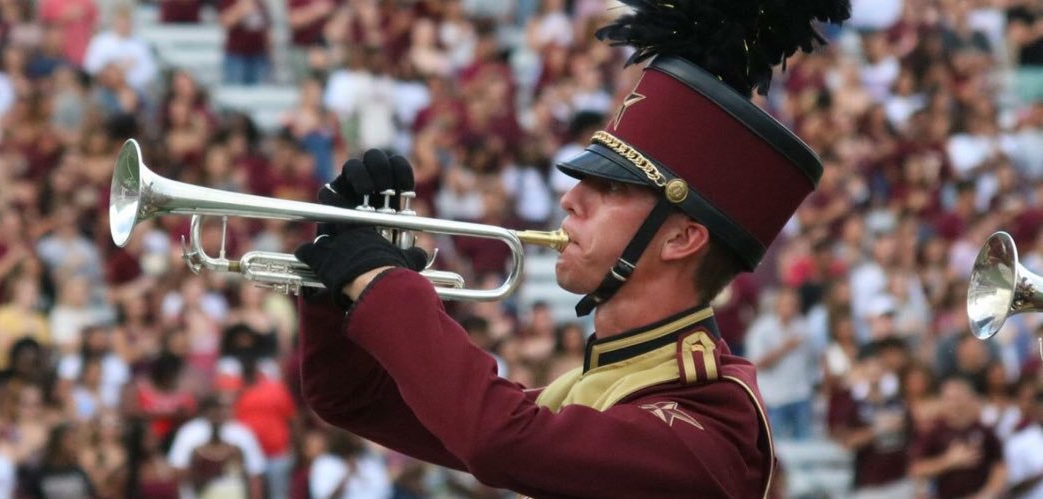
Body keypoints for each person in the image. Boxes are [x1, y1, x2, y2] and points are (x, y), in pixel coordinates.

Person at [291, 0, 852, 496]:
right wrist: (334, 280)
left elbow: (495, 439)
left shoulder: (704, 429)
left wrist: (385, 283)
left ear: (682, 238)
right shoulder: (604, 385)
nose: (569, 199)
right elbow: (353, 399)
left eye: (610, 189)